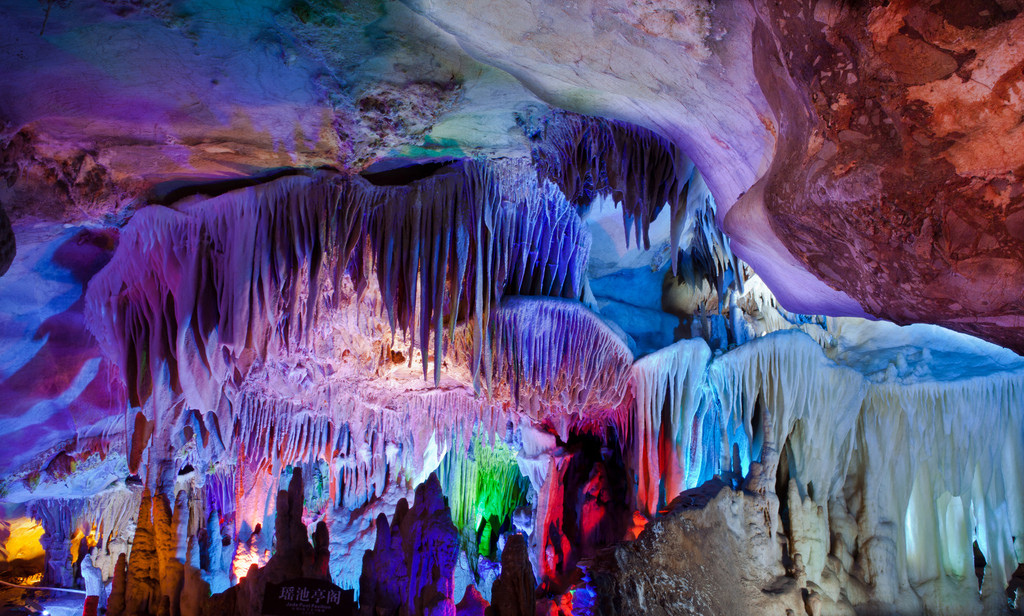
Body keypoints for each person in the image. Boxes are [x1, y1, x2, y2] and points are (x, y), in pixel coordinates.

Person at [81, 548, 104, 616]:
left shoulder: (88, 570)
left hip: (91, 593)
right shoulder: (94, 570)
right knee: (91, 608)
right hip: (94, 593)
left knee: (90, 609)